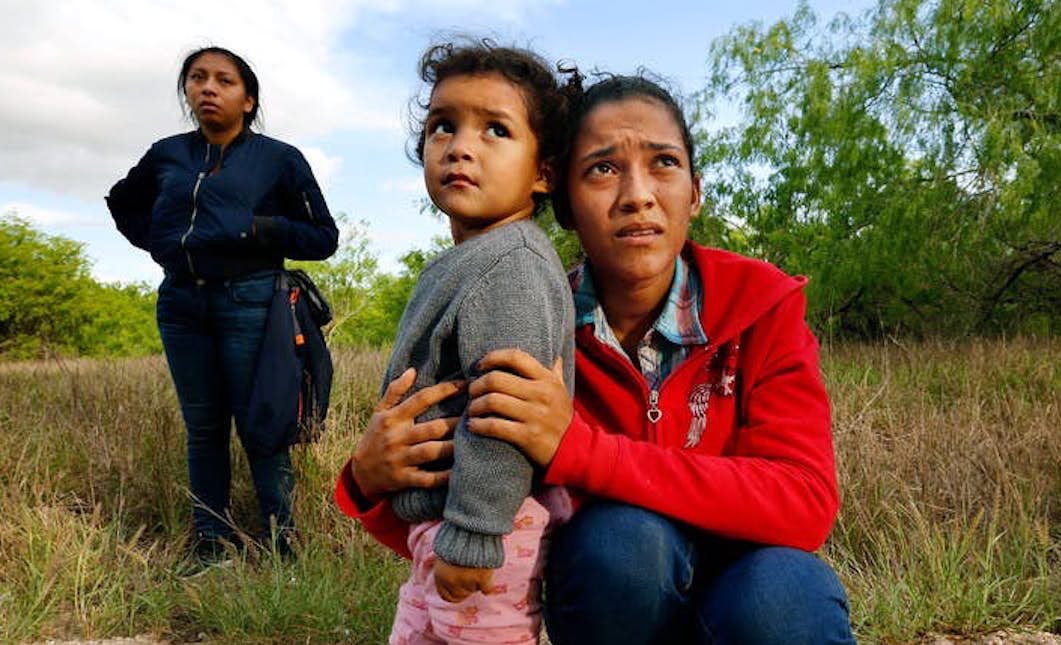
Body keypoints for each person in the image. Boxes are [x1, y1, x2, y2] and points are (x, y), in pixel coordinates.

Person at [342, 71, 856, 644]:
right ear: (562, 202)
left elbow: (804, 503)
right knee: (620, 543)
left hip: (744, 580)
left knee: (786, 595)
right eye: (603, 169)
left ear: (696, 192)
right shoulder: (531, 321)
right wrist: (366, 480)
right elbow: (482, 523)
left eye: (664, 162)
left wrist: (577, 449)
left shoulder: (760, 307)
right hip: (619, 597)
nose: (637, 194)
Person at [338, 41, 575, 644]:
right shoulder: (468, 260)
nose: (460, 146)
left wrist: (473, 533)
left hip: (486, 527)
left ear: (544, 171)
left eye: (495, 129)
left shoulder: (512, 264)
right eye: (443, 125)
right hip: (448, 525)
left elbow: (505, 413)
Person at [106, 46, 339, 563]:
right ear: (187, 91)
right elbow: (122, 203)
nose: (208, 88)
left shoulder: (279, 159)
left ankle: (283, 550)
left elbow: (324, 237)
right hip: (182, 304)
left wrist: (256, 229)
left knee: (262, 424)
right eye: (197, 78)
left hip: (251, 301)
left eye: (224, 80)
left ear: (248, 99)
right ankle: (212, 547)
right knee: (204, 429)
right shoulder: (167, 153)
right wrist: (167, 243)